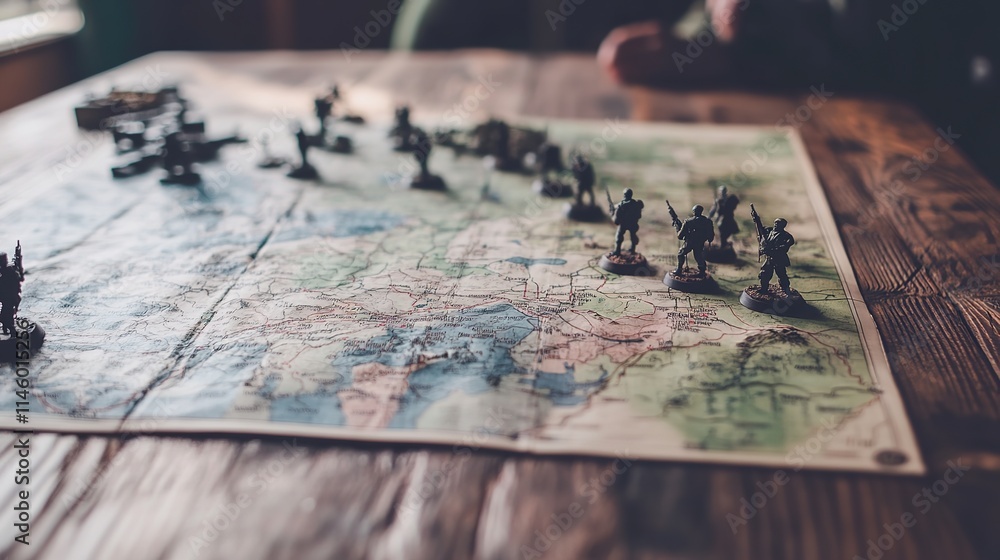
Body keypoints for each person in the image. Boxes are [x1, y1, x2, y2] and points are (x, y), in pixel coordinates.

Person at [675, 205, 715, 276]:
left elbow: (680, 236)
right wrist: (709, 240)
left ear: (694, 212)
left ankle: (679, 270)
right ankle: (702, 272)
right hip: (700, 242)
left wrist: (678, 228)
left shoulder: (688, 222)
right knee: (698, 256)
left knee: (681, 253)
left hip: (689, 242)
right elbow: (711, 234)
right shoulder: (708, 222)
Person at [612, 188, 644, 256]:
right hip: (632, 223)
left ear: (624, 195)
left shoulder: (621, 205)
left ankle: (617, 251)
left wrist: (614, 216)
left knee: (619, 236)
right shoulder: (635, 204)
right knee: (633, 236)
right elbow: (639, 215)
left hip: (623, 224)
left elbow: (617, 217)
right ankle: (632, 249)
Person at [0, 251, 24, 336]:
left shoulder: (10, 271)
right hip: (5, 299)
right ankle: (6, 328)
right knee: (4, 316)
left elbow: (20, 278)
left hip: (10, 298)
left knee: (5, 317)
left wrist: (19, 263)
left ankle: (12, 332)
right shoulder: (2, 272)